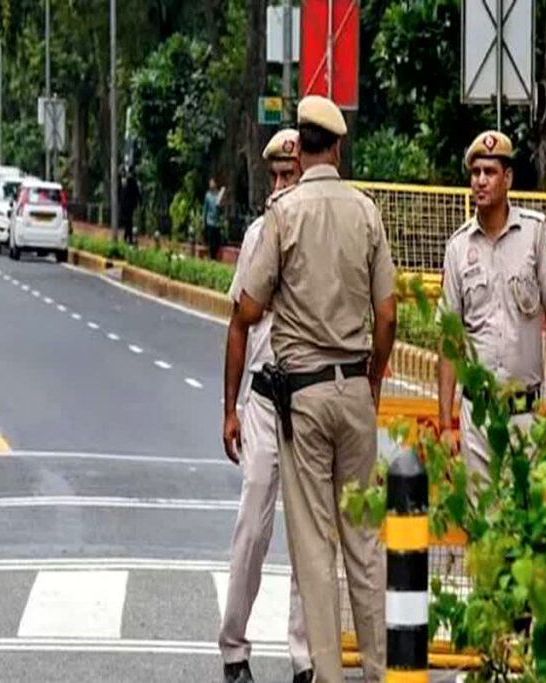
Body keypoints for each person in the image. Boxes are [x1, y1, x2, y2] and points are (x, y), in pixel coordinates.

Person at [223, 95, 395, 682]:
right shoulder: (366, 212)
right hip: (354, 391)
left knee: (314, 550)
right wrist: (371, 378)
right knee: (365, 546)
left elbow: (246, 309)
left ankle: (324, 673)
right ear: (340, 145)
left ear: (304, 145)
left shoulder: (285, 216)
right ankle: (376, 672)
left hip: (302, 397)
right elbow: (389, 316)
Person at [219, 128, 311, 683]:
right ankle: (234, 649)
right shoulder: (257, 236)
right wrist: (228, 409)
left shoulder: (320, 233)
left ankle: (304, 658)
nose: (280, 187)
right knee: (253, 524)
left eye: (290, 176)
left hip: (308, 399)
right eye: (274, 177)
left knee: (308, 535)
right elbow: (237, 322)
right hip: (260, 394)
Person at [438, 131, 546, 490]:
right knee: (481, 532)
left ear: (507, 178)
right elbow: (450, 338)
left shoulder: (535, 234)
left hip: (525, 416)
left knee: (523, 528)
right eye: (475, 172)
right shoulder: (458, 248)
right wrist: (446, 424)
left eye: (490, 172)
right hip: (475, 418)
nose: (480, 181)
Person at [204, 177, 226, 259]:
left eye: (213, 183)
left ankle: (215, 256)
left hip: (217, 222)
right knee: (211, 241)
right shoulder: (208, 196)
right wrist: (204, 221)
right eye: (210, 183)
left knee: (217, 241)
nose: (211, 185)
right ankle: (211, 256)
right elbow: (205, 209)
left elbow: (221, 209)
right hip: (210, 221)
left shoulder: (218, 195)